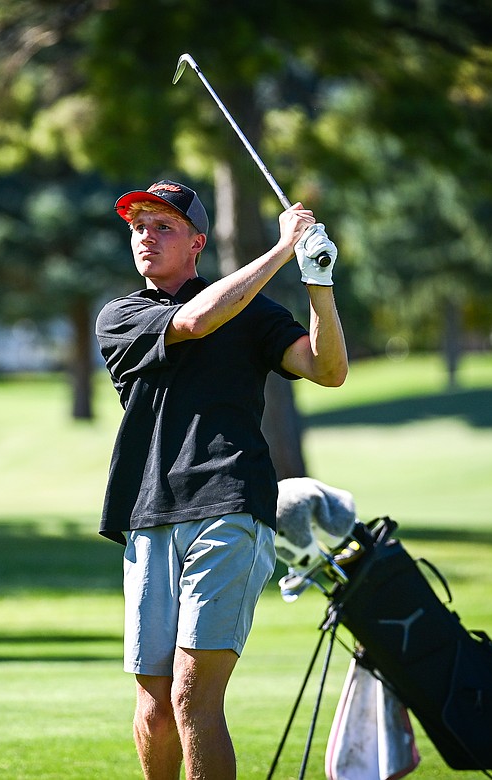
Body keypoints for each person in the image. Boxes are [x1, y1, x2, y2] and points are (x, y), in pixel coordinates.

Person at [95, 179, 348, 779]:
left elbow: (328, 369)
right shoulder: (123, 316)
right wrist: (282, 249)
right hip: (149, 512)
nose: (145, 238)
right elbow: (197, 321)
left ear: (197, 243)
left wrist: (320, 284)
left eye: (163, 227)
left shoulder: (252, 311)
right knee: (156, 709)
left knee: (191, 696)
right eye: (138, 228)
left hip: (231, 502)